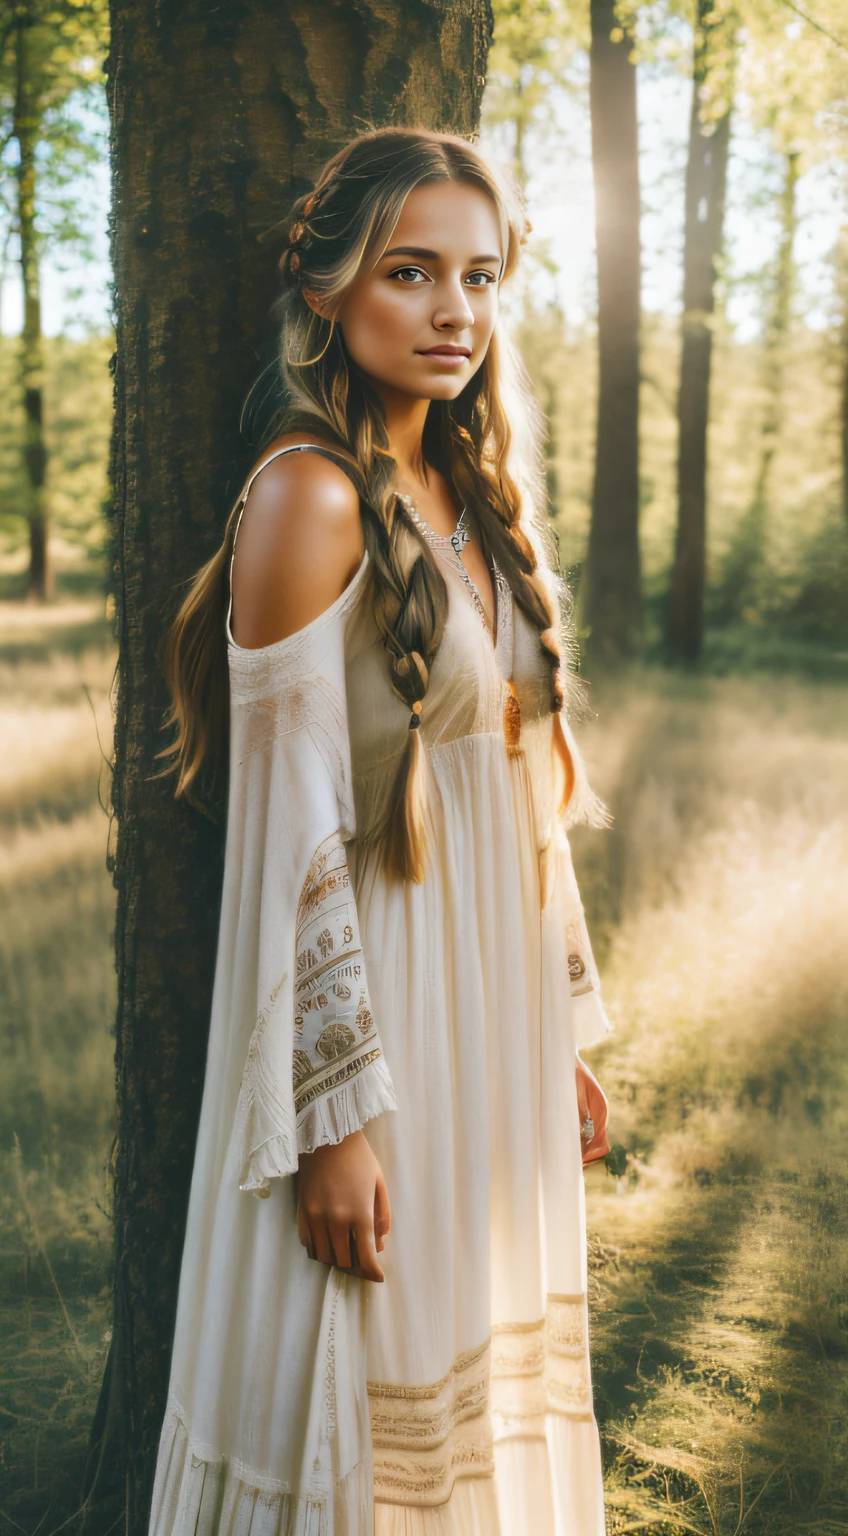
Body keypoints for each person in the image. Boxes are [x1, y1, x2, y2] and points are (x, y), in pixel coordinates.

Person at [150, 126, 612, 1536]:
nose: (454, 310)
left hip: (493, 1025)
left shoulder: (473, 504)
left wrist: (566, 1030)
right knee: (356, 1400)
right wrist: (333, 1128)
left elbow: (524, 803)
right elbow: (284, 842)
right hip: (373, 1039)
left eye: (479, 277)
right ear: (330, 292)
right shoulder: (310, 497)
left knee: (475, 1389)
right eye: (412, 273)